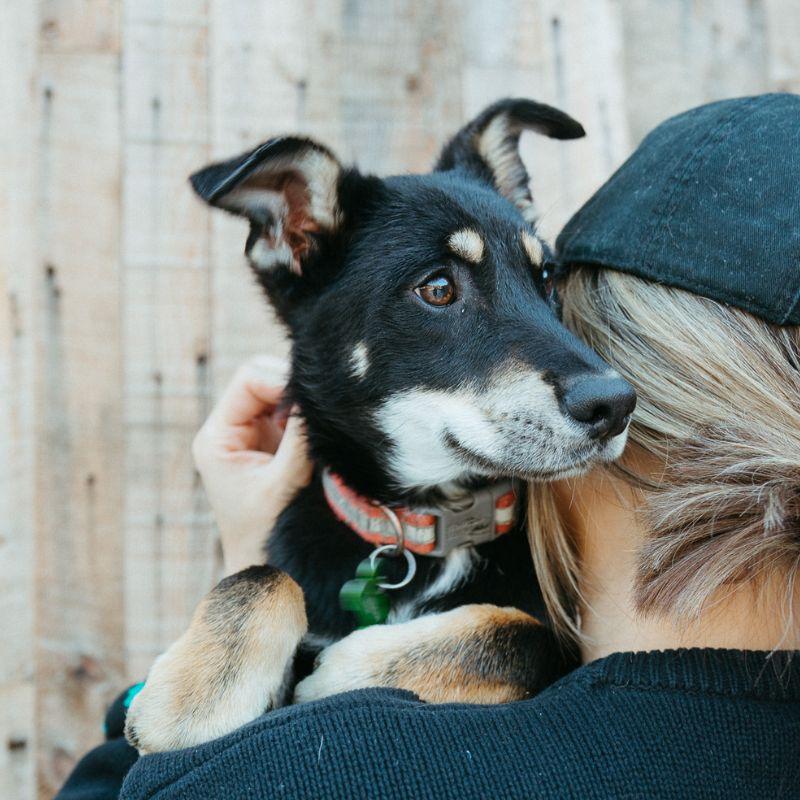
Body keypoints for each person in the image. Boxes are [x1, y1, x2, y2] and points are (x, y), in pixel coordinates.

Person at [57, 94, 800, 800]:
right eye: (441, 291)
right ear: (293, 241)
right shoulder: (285, 568)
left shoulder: (548, 575)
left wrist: (505, 650)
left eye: (539, 280)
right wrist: (253, 576)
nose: (585, 375)